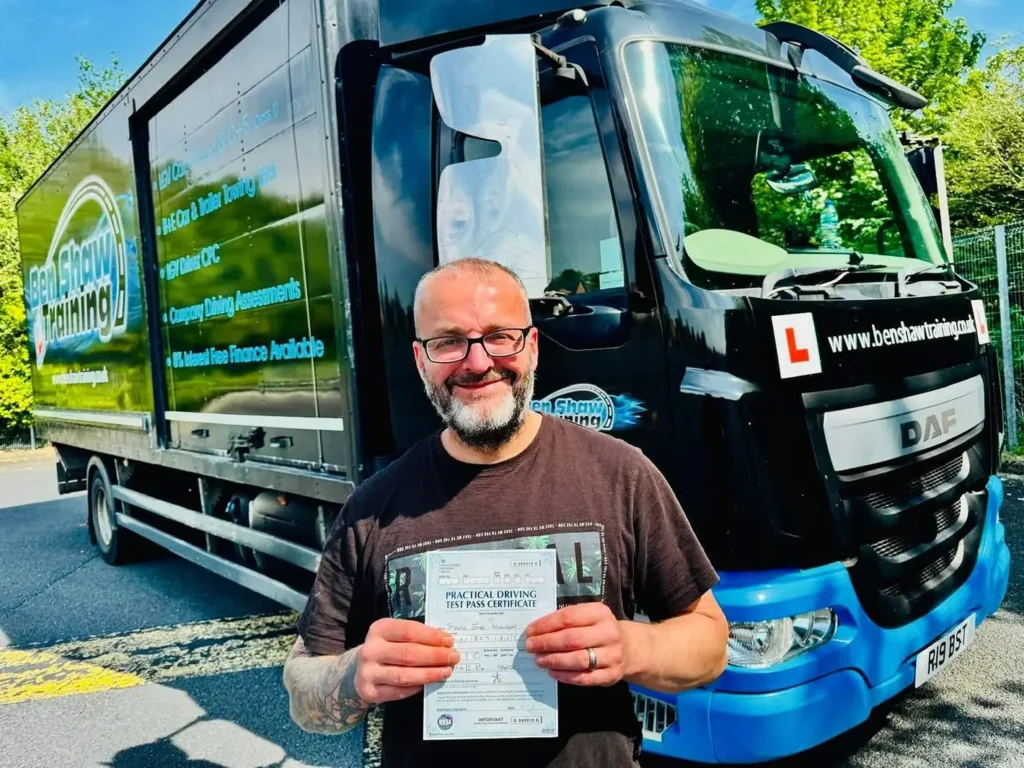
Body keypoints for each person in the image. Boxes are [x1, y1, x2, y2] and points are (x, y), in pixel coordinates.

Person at [283, 257, 728, 767]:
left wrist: (632, 647)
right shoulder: (372, 509)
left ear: (532, 346)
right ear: (420, 359)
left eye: (500, 336)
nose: (477, 362)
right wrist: (356, 675)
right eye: (448, 341)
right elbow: (302, 689)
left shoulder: (622, 475)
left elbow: (711, 644)